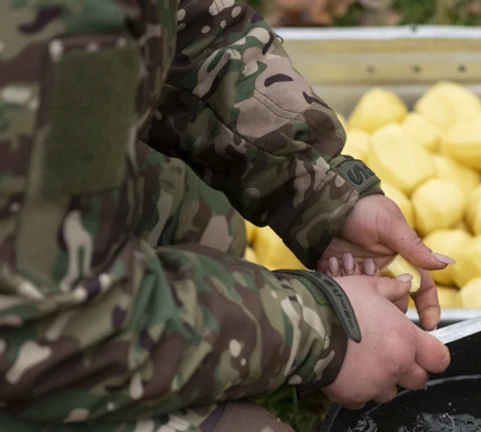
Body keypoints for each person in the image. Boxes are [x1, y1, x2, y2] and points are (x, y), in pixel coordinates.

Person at [0, 1, 453, 430]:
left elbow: (194, 26)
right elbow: (50, 321)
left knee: (200, 222)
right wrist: (322, 331)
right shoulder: (52, 27)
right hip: (30, 324)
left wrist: (321, 194)